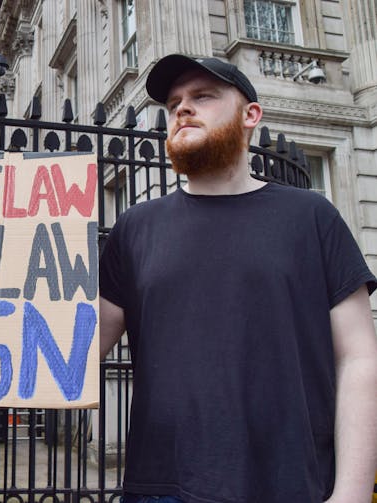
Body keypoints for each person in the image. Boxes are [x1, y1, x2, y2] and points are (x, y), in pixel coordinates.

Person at [98, 54, 377, 503]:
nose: (183, 109)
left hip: (290, 484)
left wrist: (353, 493)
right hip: (164, 488)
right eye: (173, 104)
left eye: (203, 97)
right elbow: (74, 347)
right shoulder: (135, 227)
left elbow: (360, 360)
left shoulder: (312, 217)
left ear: (251, 115)